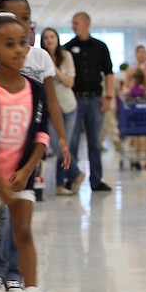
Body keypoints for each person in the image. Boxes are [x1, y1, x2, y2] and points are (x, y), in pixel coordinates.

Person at [0, 0, 70, 292]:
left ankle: (23, 281)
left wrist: (62, 139)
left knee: (22, 225)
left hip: (24, 156)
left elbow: (50, 106)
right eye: (14, 21)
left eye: (26, 20)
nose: (23, 30)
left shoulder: (39, 58)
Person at [64, 11, 115, 192]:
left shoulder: (100, 47)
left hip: (95, 99)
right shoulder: (68, 48)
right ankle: (71, 177)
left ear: (87, 23)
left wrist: (108, 97)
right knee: (73, 141)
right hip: (75, 100)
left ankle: (96, 180)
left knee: (94, 142)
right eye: (72, 23)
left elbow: (109, 73)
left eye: (76, 23)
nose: (73, 26)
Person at [41, 27, 85, 196]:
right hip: (51, 109)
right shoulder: (40, 58)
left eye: (52, 36)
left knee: (66, 145)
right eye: (46, 38)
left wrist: (54, 69)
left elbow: (70, 82)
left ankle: (60, 185)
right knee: (58, 146)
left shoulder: (66, 56)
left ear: (57, 39)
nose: (49, 40)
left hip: (68, 106)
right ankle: (77, 174)